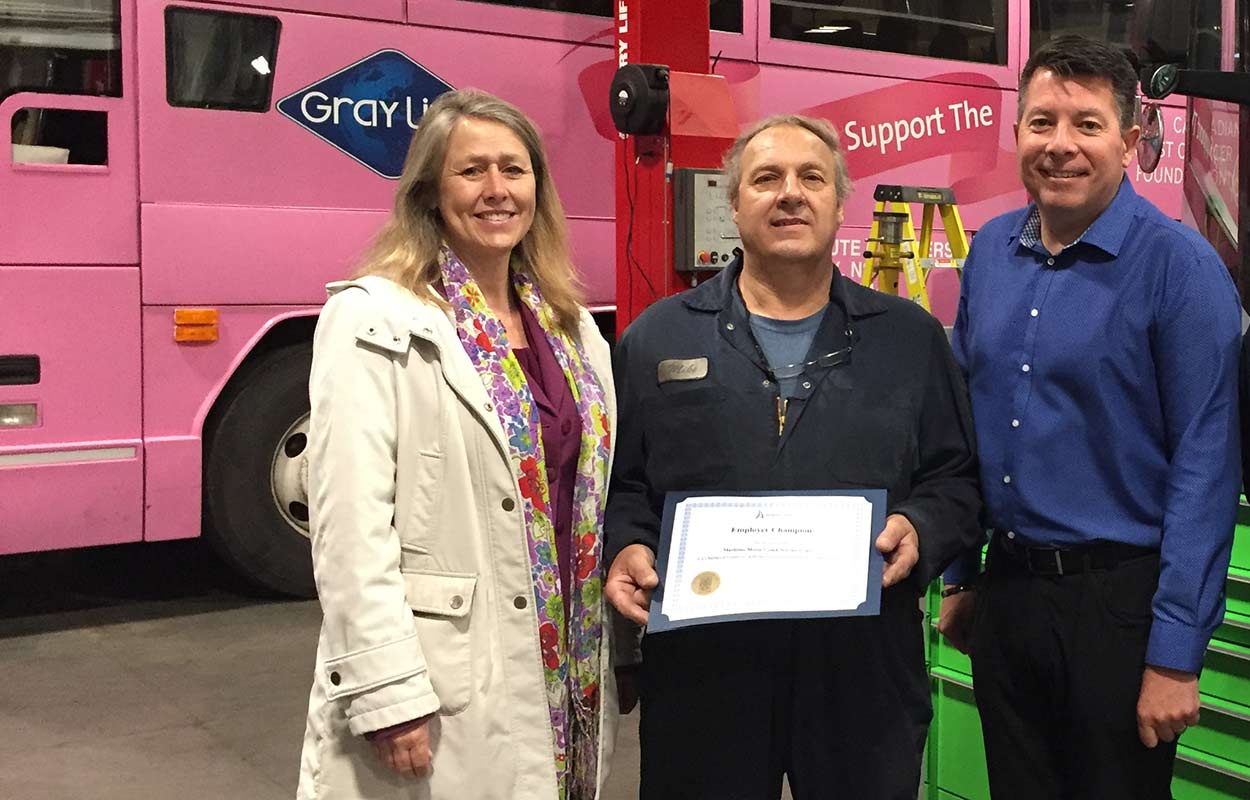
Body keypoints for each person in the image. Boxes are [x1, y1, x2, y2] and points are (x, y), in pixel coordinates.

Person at [603, 114, 982, 800]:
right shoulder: (656, 338)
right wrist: (627, 547)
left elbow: (957, 479)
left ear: (840, 204)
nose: (789, 194)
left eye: (811, 178)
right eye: (766, 178)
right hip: (704, 676)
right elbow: (625, 486)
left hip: (863, 675)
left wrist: (923, 528)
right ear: (734, 201)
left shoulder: (909, 340)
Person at [938, 34, 1242, 800]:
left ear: (1130, 141)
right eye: (1041, 123)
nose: (1060, 146)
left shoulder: (1181, 267)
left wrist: (1176, 653)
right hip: (1006, 595)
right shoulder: (991, 258)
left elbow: (1206, 464)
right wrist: (958, 576)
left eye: (1087, 124)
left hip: (1119, 609)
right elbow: (967, 427)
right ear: (1016, 135)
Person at [296, 89, 618, 800]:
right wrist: (386, 688)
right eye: (472, 171)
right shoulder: (376, 320)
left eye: (515, 169)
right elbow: (349, 524)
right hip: (444, 675)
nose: (497, 190)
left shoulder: (569, 328)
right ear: (432, 192)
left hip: (565, 659)